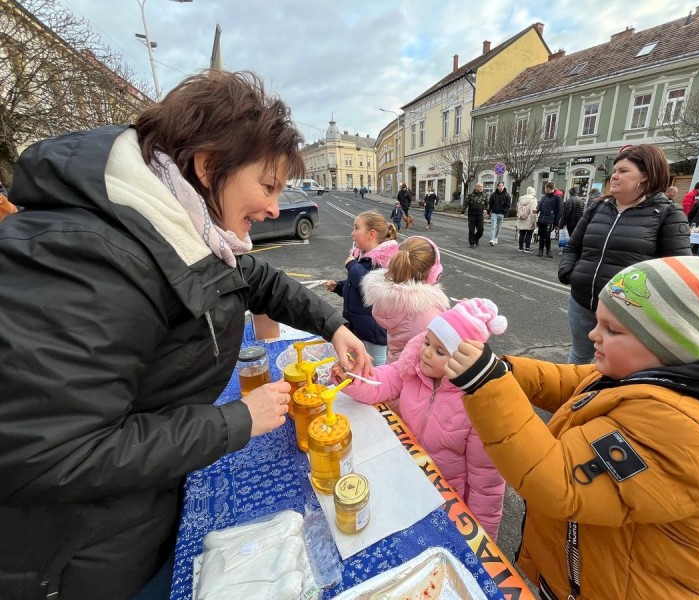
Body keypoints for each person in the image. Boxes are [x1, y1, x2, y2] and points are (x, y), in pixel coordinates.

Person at [0, 70, 371, 600]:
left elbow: (255, 279)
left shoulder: (181, 227)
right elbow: (50, 453)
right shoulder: (91, 255)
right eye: (267, 186)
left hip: (140, 512)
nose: (273, 208)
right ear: (208, 164)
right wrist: (233, 422)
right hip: (79, 559)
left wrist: (333, 325)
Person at [446, 256, 699, 600]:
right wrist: (502, 368)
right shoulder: (649, 377)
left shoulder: (690, 432)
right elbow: (574, 382)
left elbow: (561, 482)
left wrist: (485, 384)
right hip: (592, 573)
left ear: (674, 347)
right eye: (599, 322)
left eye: (613, 330)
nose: (593, 334)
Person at [335, 298, 508, 539]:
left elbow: (486, 485)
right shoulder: (412, 368)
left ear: (463, 361)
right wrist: (355, 378)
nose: (426, 353)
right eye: (427, 342)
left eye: (440, 351)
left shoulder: (477, 406)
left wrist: (482, 538)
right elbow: (381, 382)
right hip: (404, 473)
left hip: (445, 498)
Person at [558, 143, 690, 364]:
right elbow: (573, 247)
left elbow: (678, 273)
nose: (615, 176)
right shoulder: (598, 207)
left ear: (645, 176)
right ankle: (574, 399)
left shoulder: (667, 214)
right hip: (583, 302)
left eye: (623, 171)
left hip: (626, 314)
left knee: (616, 365)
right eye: (615, 171)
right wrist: (569, 273)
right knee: (579, 357)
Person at [326, 211, 399, 366]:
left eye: (356, 228)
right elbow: (356, 286)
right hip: (358, 325)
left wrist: (352, 266)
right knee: (358, 363)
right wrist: (339, 287)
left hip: (373, 329)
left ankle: (385, 390)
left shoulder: (384, 261)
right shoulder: (363, 256)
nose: (352, 233)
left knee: (378, 365)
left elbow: (370, 286)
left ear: (371, 234)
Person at [361, 236, 450, 363]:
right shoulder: (427, 313)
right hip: (415, 376)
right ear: (434, 273)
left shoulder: (391, 300)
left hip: (395, 366)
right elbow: (447, 353)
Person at [536, 181, 561, 257]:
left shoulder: (557, 198)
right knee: (541, 235)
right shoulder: (544, 197)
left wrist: (556, 222)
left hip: (550, 220)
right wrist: (537, 210)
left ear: (549, 188)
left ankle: (548, 250)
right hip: (542, 219)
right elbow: (540, 205)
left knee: (547, 236)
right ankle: (540, 250)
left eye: (546, 188)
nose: (545, 190)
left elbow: (559, 210)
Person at [461, 182, 488, 248]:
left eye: (481, 186)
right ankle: (472, 242)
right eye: (479, 186)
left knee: (481, 230)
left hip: (480, 215)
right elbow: (465, 204)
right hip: (472, 215)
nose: (480, 188)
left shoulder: (484, 195)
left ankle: (476, 238)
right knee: (471, 230)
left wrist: (486, 210)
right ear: (476, 187)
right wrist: (462, 213)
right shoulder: (470, 195)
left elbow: (487, 204)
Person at [487, 181, 511, 246]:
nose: (501, 187)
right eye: (499, 186)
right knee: (493, 226)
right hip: (494, 212)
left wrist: (504, 211)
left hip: (501, 213)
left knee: (498, 227)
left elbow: (508, 204)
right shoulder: (494, 195)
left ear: (503, 186)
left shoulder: (507, 195)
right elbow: (490, 203)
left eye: (502, 185)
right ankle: (492, 239)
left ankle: (495, 238)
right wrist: (488, 211)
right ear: (497, 187)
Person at [516, 186, 538, 253]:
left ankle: (520, 247)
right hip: (529, 218)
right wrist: (534, 221)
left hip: (521, 217)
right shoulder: (533, 200)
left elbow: (518, 209)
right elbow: (533, 212)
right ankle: (527, 248)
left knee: (522, 233)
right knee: (529, 233)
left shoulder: (521, 199)